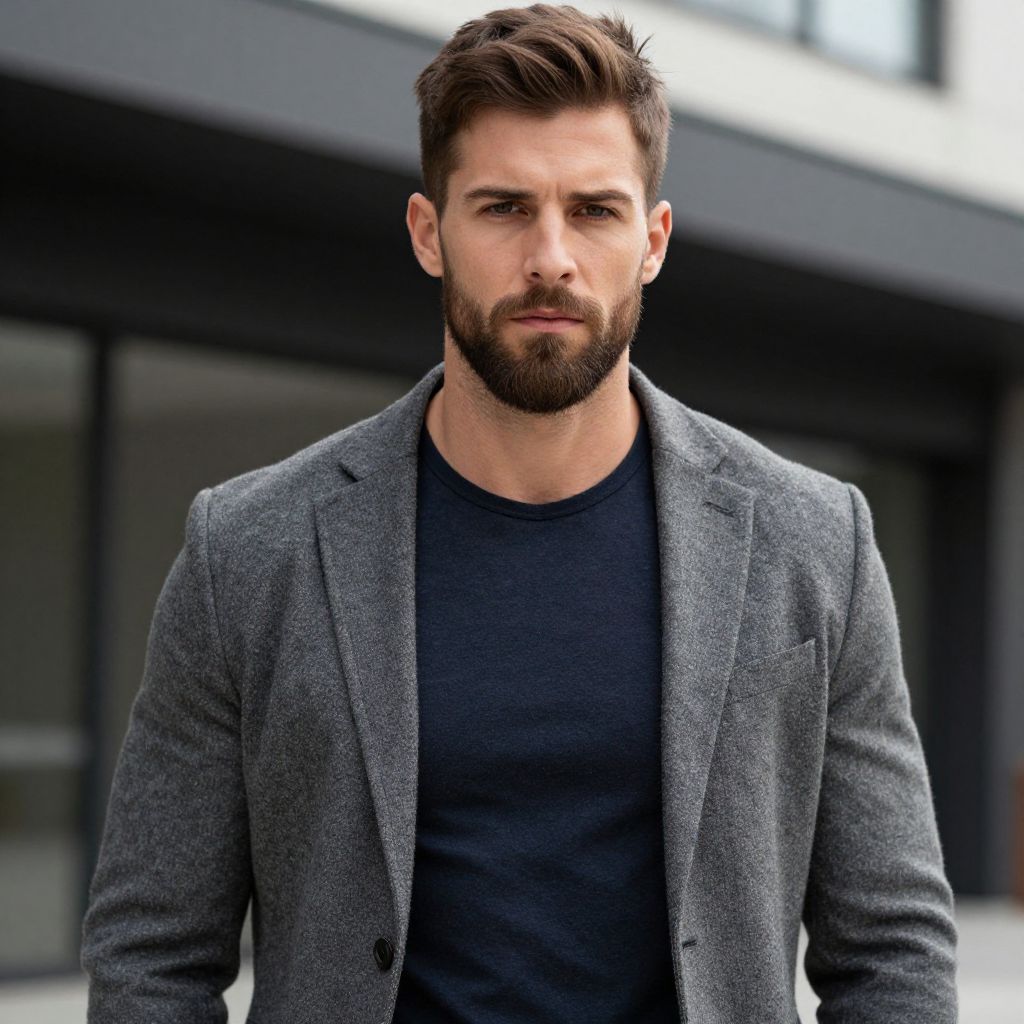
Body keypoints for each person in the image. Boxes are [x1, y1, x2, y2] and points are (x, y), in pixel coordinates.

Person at [80, 4, 958, 1022]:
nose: (551, 257)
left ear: (653, 241)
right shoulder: (247, 551)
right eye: (503, 207)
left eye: (593, 210)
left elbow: (892, 947)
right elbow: (150, 951)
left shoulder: (815, 544)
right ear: (429, 233)